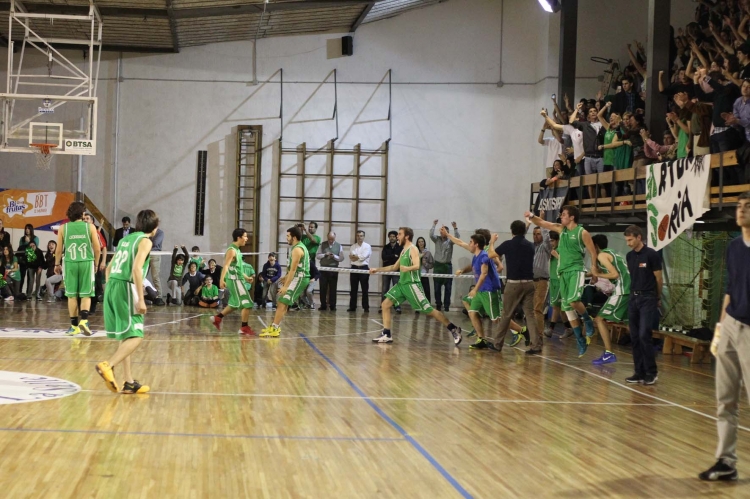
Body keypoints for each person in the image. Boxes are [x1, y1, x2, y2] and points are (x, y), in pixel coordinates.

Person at [699, 192, 750, 482]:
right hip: (730, 325)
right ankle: (725, 461)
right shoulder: (733, 247)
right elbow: (730, 290)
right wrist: (720, 330)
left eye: (748, 206)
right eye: (739, 206)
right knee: (725, 399)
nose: (741, 211)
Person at [95, 209, 159, 395]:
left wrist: (110, 289)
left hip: (112, 285)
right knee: (137, 335)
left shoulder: (125, 240)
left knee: (126, 335)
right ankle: (108, 365)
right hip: (126, 286)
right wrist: (141, 299)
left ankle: (129, 382)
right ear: (154, 227)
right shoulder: (145, 241)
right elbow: (137, 269)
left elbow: (108, 268)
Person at [370, 227, 462, 345]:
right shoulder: (403, 250)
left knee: (429, 310)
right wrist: (377, 269)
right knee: (385, 304)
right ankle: (387, 334)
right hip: (402, 285)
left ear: (407, 236)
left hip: (412, 285)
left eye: (399, 234)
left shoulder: (413, 249)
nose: (397, 236)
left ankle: (453, 329)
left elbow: (417, 265)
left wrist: (406, 268)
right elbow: (393, 267)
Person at [525, 206, 598, 356]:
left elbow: (592, 252)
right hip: (562, 272)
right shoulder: (560, 229)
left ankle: (587, 320)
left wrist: (594, 269)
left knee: (573, 301)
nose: (561, 216)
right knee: (567, 308)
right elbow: (542, 223)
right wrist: (531, 216)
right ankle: (580, 339)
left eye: (564, 214)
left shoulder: (582, 232)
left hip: (576, 270)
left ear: (572, 217)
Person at [487, 221, 543, 354]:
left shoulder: (508, 244)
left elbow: (490, 254)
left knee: (506, 314)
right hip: (529, 283)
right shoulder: (530, 245)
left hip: (513, 284)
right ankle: (536, 345)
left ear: (512, 230)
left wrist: (492, 242)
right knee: (530, 315)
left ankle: (497, 344)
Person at [623, 225, 662, 385]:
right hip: (634, 298)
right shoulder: (629, 256)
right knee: (634, 336)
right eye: (627, 240)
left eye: (630, 240)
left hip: (648, 298)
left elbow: (658, 278)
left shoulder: (651, 254)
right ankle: (638, 372)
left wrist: (657, 297)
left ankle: (651, 372)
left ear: (639, 237)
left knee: (644, 334)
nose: (628, 243)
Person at [55, 201, 101, 336]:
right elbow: (97, 249)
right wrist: (96, 264)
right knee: (86, 294)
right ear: (82, 213)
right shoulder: (90, 227)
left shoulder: (63, 228)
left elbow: (59, 250)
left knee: (71, 295)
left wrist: (56, 264)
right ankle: (84, 320)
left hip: (70, 263)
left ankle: (74, 326)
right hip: (86, 262)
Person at [260, 226, 310, 337]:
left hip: (300, 279)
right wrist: (286, 277)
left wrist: (286, 286)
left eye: (288, 236)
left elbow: (293, 270)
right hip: (297, 277)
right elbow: (295, 268)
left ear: (294, 237)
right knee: (282, 302)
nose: (286, 238)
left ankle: (275, 328)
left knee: (282, 302)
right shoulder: (297, 247)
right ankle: (275, 326)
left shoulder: (297, 249)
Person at [589, 234, 630, 365]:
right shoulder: (612, 253)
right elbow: (598, 272)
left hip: (623, 289)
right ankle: (645, 352)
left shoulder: (602, 255)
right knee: (630, 324)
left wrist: (597, 274)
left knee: (599, 319)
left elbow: (614, 274)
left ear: (595, 246)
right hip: (631, 289)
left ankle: (609, 353)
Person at [211, 229, 255, 335]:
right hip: (235, 281)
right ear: (239, 237)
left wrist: (246, 277)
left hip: (237, 279)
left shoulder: (237, 250)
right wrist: (221, 280)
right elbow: (226, 266)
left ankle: (217, 318)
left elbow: (236, 268)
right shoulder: (232, 250)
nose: (247, 238)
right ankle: (244, 328)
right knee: (247, 303)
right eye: (245, 236)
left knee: (234, 304)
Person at [429, 220, 460, 311]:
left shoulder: (450, 241)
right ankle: (438, 304)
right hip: (438, 266)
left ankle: (446, 306)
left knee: (448, 287)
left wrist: (455, 228)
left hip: (447, 266)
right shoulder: (437, 239)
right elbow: (431, 235)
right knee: (437, 287)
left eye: (445, 231)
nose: (443, 233)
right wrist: (434, 224)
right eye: (442, 231)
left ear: (448, 232)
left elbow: (457, 238)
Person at [532, 224, 553, 340]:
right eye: (534, 234)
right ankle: (532, 333)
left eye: (538, 234)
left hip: (541, 281)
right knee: (530, 309)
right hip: (531, 280)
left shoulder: (546, 247)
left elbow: (547, 239)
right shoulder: (531, 247)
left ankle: (539, 335)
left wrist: (541, 223)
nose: (536, 236)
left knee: (537, 308)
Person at [317, 232, 343, 311]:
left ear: (335, 237)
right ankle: (323, 305)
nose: (331, 241)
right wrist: (325, 254)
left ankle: (333, 305)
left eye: (332, 239)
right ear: (327, 237)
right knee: (322, 288)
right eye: (329, 239)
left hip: (334, 269)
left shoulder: (339, 246)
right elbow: (317, 256)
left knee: (333, 288)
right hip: (323, 269)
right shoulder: (322, 245)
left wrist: (334, 256)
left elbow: (341, 258)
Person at [348, 230, 371, 312]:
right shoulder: (353, 246)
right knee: (353, 289)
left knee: (364, 289)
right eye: (358, 235)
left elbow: (363, 257)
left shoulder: (367, 246)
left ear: (364, 237)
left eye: (361, 236)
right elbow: (352, 258)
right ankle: (352, 307)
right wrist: (358, 257)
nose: (359, 237)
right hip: (354, 268)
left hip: (364, 268)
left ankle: (366, 307)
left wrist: (357, 257)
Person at [380, 231, 402, 314]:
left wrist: (389, 258)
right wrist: (393, 256)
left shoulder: (400, 247)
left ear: (396, 237)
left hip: (396, 271)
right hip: (386, 270)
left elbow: (399, 259)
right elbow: (384, 257)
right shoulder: (386, 247)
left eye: (393, 236)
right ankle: (383, 306)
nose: (392, 238)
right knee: (385, 289)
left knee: (396, 289)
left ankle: (397, 306)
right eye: (390, 236)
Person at [415, 236, 434, 307]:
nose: (421, 243)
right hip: (416, 275)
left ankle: (428, 306)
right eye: (419, 242)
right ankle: (417, 307)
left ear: (424, 243)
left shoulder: (428, 253)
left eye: (422, 241)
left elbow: (432, 265)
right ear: (417, 243)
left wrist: (425, 264)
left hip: (424, 275)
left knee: (427, 291)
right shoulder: (415, 252)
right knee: (417, 292)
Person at [148, 227, 164, 301]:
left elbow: (155, 243)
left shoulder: (160, 232)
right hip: (146, 253)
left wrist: (146, 242)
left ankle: (159, 296)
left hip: (155, 254)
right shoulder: (147, 230)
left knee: (155, 276)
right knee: (142, 275)